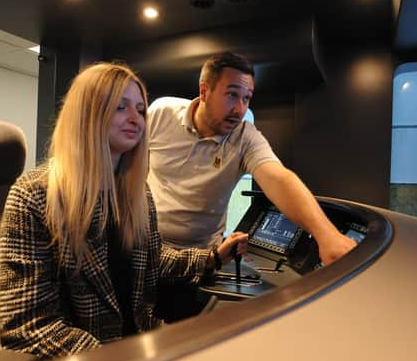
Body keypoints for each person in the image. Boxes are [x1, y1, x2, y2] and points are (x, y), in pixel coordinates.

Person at [0, 63, 247, 358]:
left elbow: (151, 260)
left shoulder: (137, 194)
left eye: (141, 109)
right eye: (120, 107)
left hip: (140, 344)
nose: (136, 119)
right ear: (87, 114)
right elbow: (27, 327)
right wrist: (118, 360)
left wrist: (211, 258)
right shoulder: (33, 195)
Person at [147, 52, 356, 267]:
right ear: (204, 91)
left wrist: (327, 236)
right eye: (232, 95)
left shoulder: (245, 136)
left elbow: (278, 178)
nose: (240, 110)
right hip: (147, 246)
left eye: (246, 98)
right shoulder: (160, 112)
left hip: (202, 258)